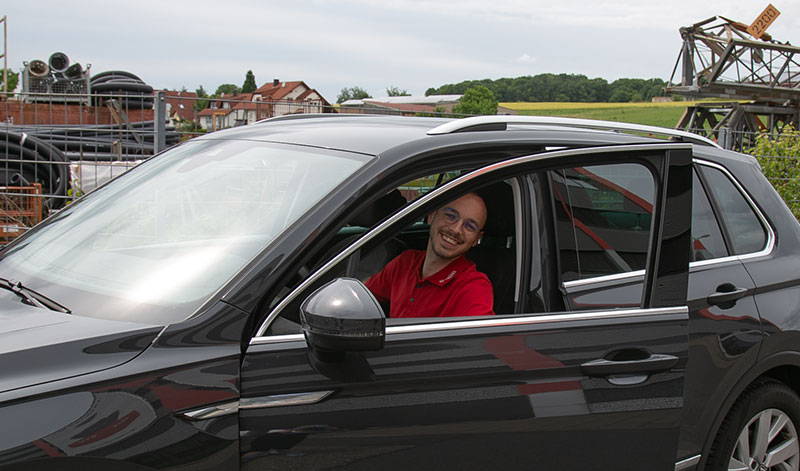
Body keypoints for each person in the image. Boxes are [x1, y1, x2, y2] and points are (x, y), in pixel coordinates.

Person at [365, 192, 494, 318]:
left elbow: (483, 332)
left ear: (476, 239)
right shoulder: (405, 262)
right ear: (432, 216)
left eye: (470, 226)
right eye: (450, 216)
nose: (456, 230)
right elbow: (362, 296)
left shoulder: (474, 288)